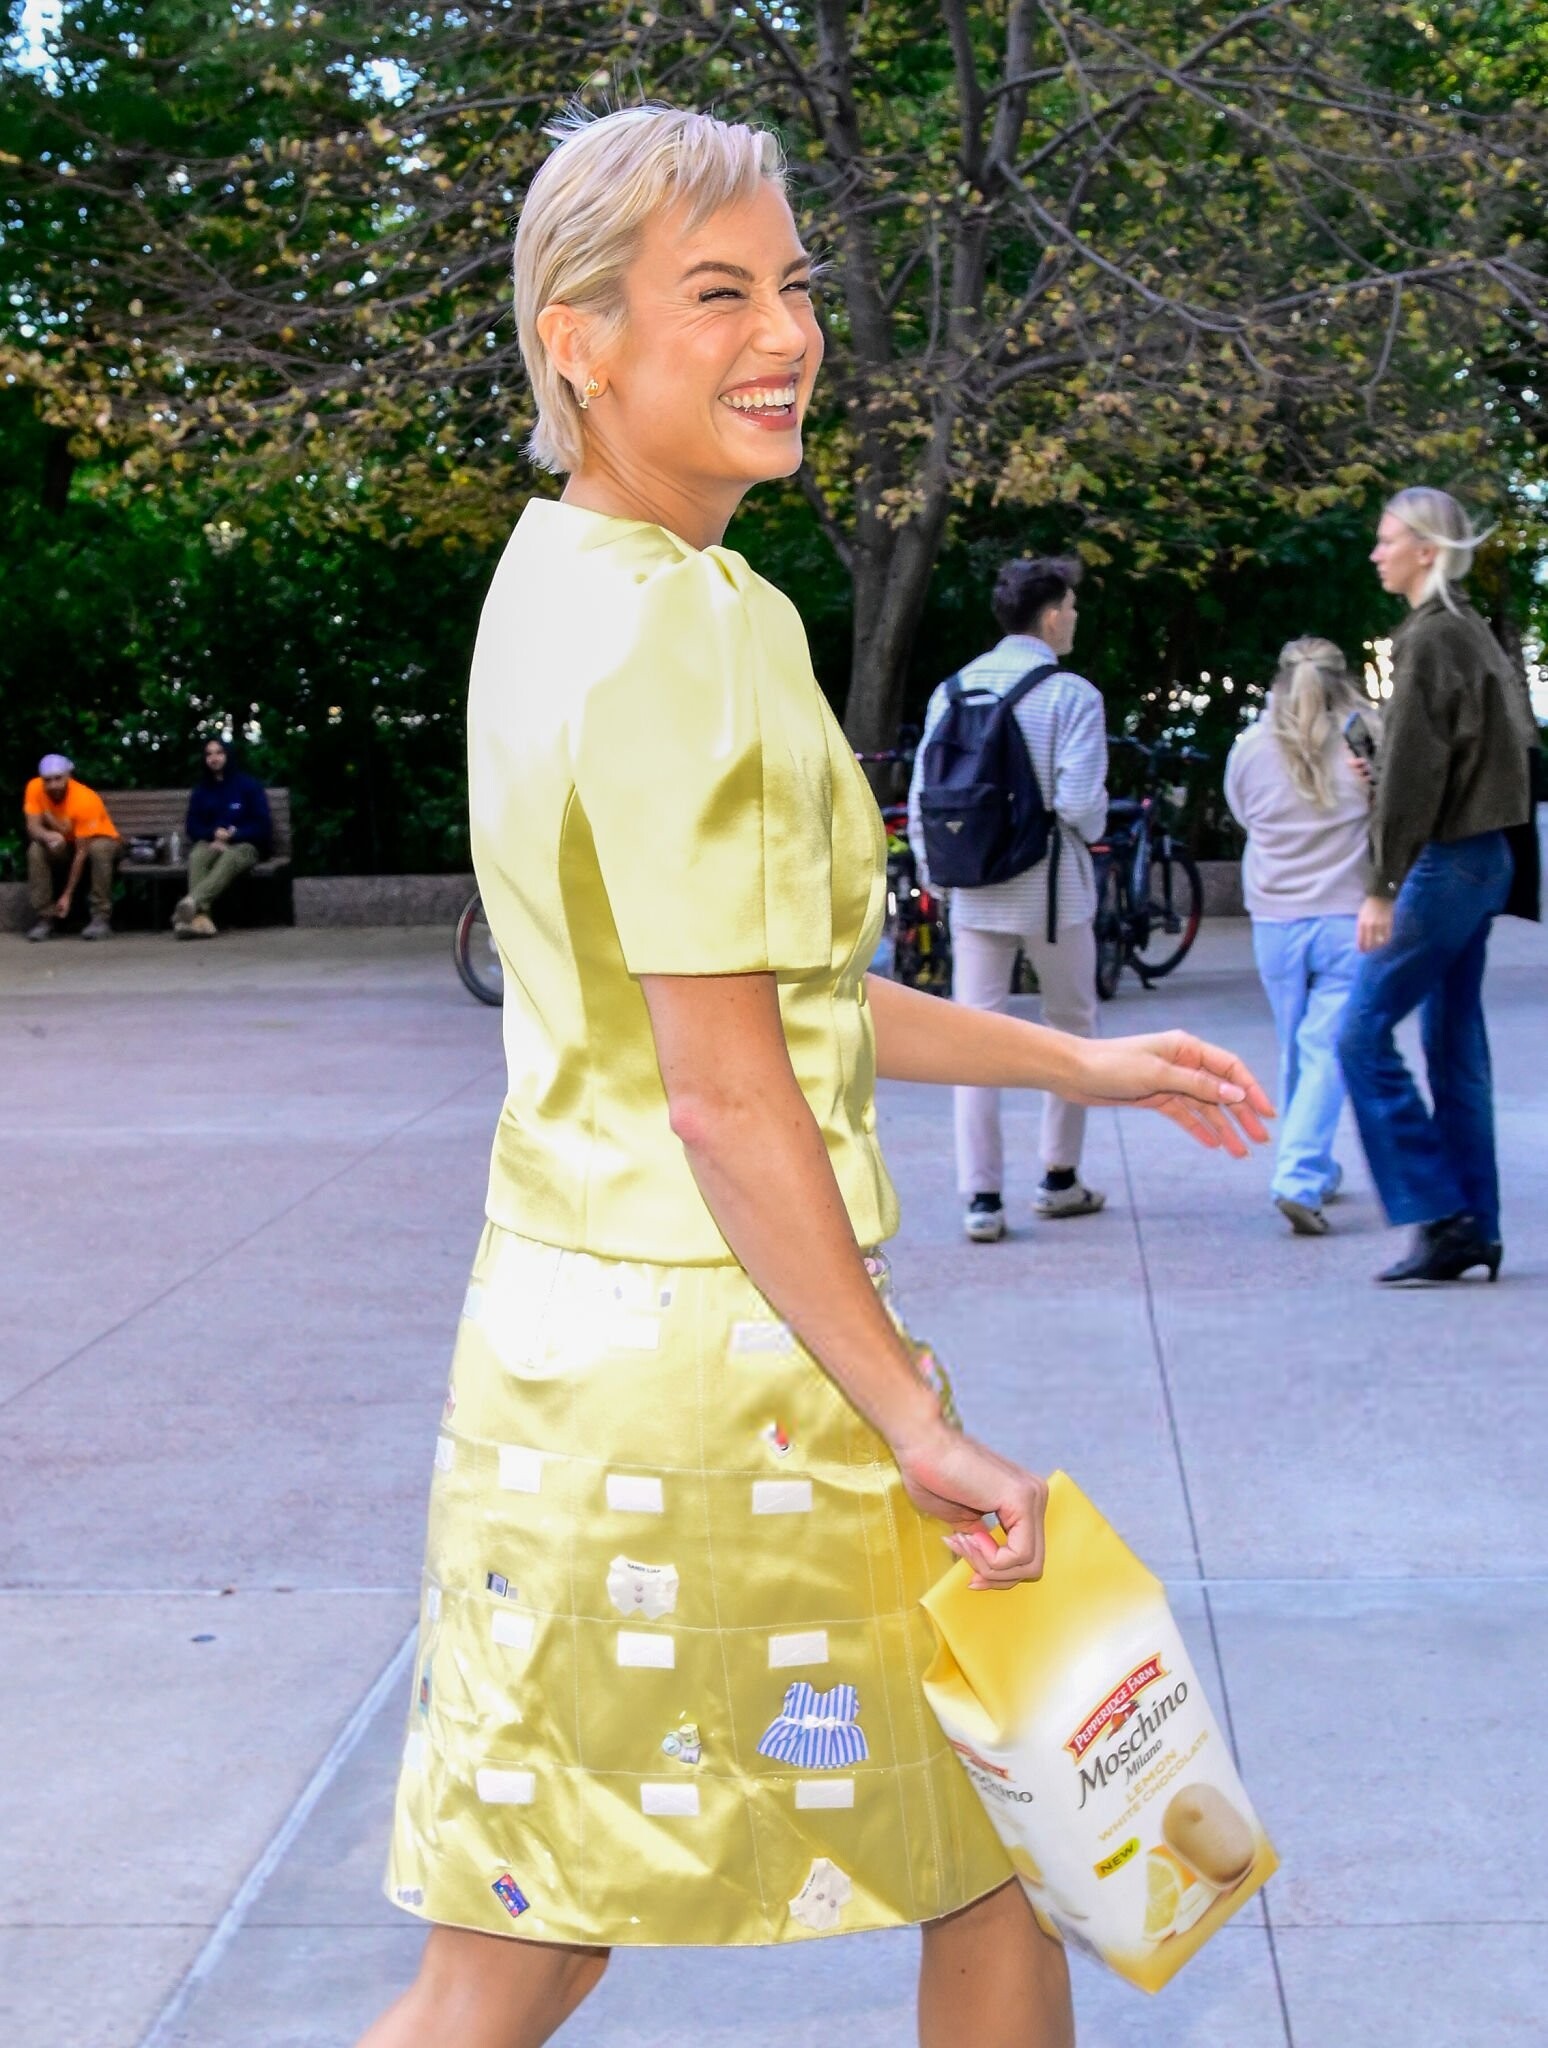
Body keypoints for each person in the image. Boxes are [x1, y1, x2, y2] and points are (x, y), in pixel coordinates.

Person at [357, 105, 1271, 2048]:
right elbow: (722, 1089)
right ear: (579, 340)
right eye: (717, 293)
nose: (785, 333)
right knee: (983, 1849)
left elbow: (777, 1006)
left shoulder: (556, 580)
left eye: (792, 285)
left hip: (572, 1353)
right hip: (734, 1377)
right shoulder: (690, 629)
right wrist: (913, 1418)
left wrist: (1079, 1061)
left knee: (529, 1938)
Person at [1337, 487, 1537, 1283]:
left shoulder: (1429, 639)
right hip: (1482, 860)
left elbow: (1418, 777)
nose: (1376, 553)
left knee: (1359, 1034)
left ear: (1426, 550)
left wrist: (1381, 884)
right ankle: (1474, 1230)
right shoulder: (1471, 632)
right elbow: (1488, 754)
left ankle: (1441, 1213)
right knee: (1454, 1048)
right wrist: (1384, 764)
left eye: (1388, 540)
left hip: (1448, 864)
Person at [907, 558, 1110, 1243]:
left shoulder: (953, 689)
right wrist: (1091, 829)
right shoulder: (1071, 695)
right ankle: (1059, 1178)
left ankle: (982, 1198)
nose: (1074, 618)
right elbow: (1079, 805)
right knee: (1071, 1026)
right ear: (1050, 617)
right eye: (1072, 608)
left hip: (974, 888)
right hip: (1052, 890)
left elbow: (926, 795)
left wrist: (938, 874)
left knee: (975, 1039)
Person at [1225, 638, 1376, 1236]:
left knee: (1299, 1048)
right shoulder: (1366, 741)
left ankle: (1311, 1166)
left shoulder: (1249, 749)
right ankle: (1300, 1175)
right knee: (1325, 1051)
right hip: (1347, 918)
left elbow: (1244, 816)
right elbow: (1391, 815)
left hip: (1275, 919)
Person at [172, 737, 273, 938]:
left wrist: (234, 835)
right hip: (211, 842)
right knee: (197, 856)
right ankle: (201, 921)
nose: (214, 758)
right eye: (209, 754)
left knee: (230, 857)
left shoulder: (248, 785)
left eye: (219, 753)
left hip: (245, 845)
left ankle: (192, 902)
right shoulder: (201, 790)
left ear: (228, 755)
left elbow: (262, 826)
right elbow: (192, 826)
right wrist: (213, 834)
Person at [22, 752, 122, 941]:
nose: (53, 785)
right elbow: (33, 826)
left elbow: (81, 853)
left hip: (97, 841)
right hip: (67, 844)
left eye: (58, 779)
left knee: (99, 849)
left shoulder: (85, 799)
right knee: (36, 850)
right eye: (47, 780)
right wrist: (48, 835)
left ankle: (100, 917)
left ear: (69, 776)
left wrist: (67, 895)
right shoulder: (34, 787)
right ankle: (45, 917)